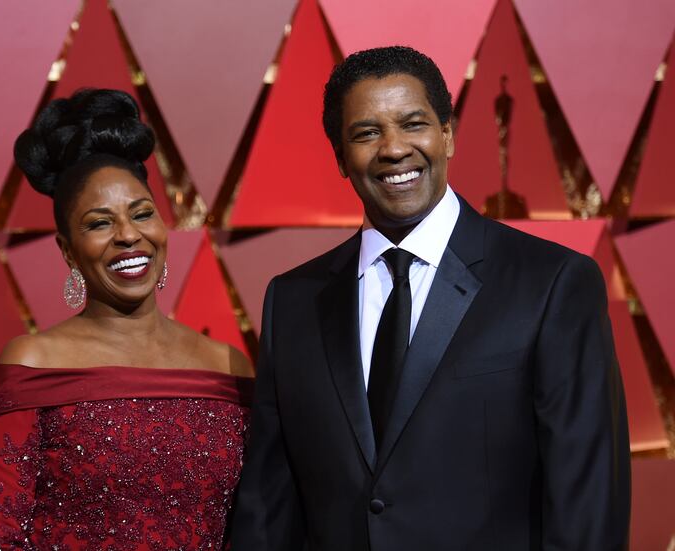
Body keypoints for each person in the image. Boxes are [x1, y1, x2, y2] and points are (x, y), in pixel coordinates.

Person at [231, 46, 630, 550]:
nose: (394, 149)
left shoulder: (552, 283)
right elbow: (269, 505)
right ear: (340, 157)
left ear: (447, 134)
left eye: (413, 124)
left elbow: (587, 504)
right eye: (367, 132)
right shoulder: (291, 302)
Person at [0, 89, 254, 550]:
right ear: (67, 249)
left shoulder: (228, 366)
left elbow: (260, 523)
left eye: (142, 214)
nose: (128, 236)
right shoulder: (33, 362)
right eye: (99, 223)